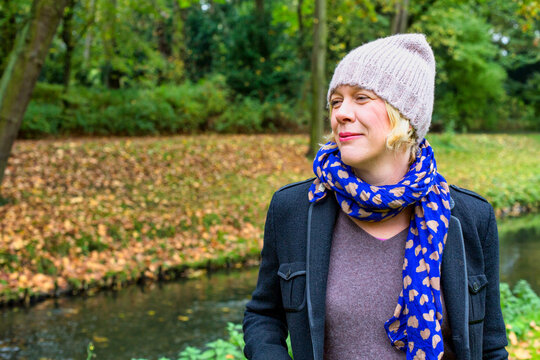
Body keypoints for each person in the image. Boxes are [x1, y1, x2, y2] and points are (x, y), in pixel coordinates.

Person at [242, 34, 508, 360]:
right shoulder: (295, 209)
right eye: (336, 101)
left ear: (405, 114)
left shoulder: (468, 216)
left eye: (361, 97)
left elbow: (491, 346)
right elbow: (264, 315)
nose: (341, 113)